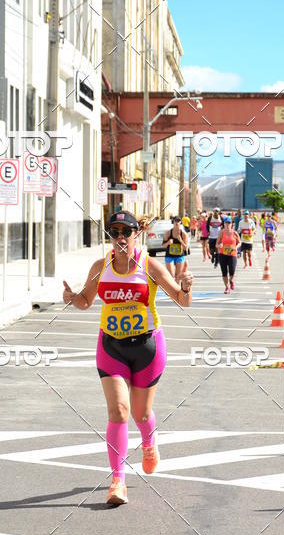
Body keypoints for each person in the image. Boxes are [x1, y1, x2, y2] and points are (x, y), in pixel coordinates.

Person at [62, 210, 194, 506]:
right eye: (114, 232)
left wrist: (186, 287)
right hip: (111, 347)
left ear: (138, 234)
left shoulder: (151, 266)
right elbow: (86, 301)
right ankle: (117, 480)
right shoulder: (101, 266)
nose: (120, 237)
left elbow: (182, 301)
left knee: (141, 414)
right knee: (118, 411)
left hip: (147, 347)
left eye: (126, 232)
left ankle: (149, 442)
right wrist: (72, 298)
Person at [216, 216, 241, 293]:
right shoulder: (221, 232)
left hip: (232, 254)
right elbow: (217, 244)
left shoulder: (234, 233)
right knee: (224, 272)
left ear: (231, 224)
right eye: (226, 223)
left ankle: (231, 280)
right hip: (222, 254)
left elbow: (240, 242)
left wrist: (236, 247)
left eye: (229, 223)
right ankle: (227, 287)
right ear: (224, 224)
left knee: (232, 271)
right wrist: (219, 245)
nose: (227, 224)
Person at [163, 215, 189, 282]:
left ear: (180, 222)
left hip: (179, 256)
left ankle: (177, 291)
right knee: (171, 275)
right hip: (169, 255)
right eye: (175, 221)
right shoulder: (168, 233)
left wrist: (180, 240)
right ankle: (172, 291)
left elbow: (186, 247)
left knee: (178, 276)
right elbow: (163, 245)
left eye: (178, 221)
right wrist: (168, 242)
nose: (177, 222)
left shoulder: (183, 234)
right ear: (173, 222)